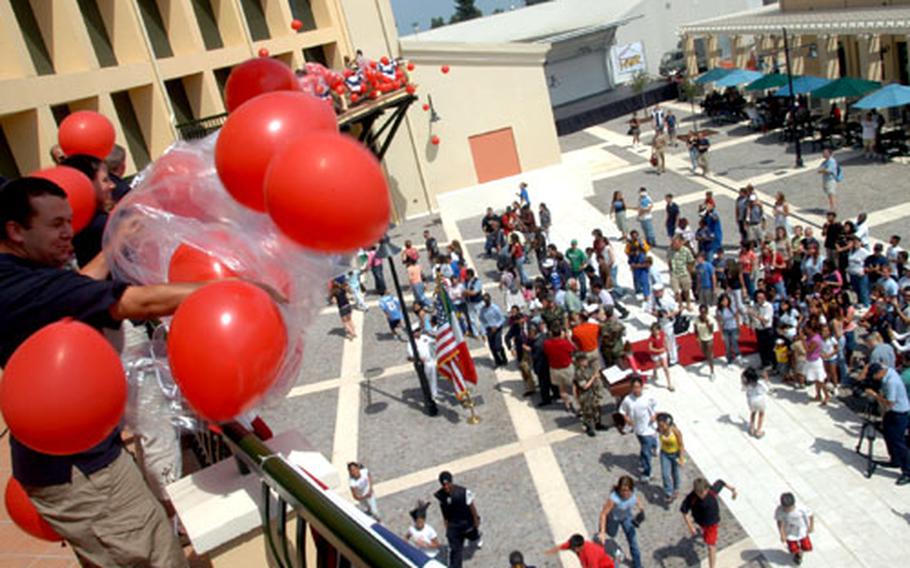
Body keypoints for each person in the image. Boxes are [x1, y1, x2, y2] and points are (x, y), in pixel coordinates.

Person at [0, 177, 194, 566]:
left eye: (70, 221)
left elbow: (74, 288)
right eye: (55, 224)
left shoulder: (20, 274)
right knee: (157, 556)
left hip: (74, 463)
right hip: (82, 473)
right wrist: (239, 290)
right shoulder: (19, 285)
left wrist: (112, 245)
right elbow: (139, 301)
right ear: (16, 231)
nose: (68, 233)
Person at [61, 154, 115, 267]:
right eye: (105, 180)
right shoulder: (103, 225)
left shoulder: (72, 225)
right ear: (86, 184)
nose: (112, 185)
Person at [864, 363, 910, 485]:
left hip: (899, 414)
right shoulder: (888, 370)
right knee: (888, 435)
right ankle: (895, 460)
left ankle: (907, 471)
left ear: (878, 373)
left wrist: (875, 395)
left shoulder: (891, 382)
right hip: (892, 413)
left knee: (898, 442)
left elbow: (890, 402)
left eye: (874, 377)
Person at [680, 478, 738, 568]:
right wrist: (690, 526)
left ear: (707, 489)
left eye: (702, 492)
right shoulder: (692, 497)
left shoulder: (711, 491)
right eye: (698, 493)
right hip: (700, 520)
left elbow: (720, 482)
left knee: (711, 546)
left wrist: (733, 490)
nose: (701, 495)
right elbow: (684, 511)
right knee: (705, 535)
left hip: (712, 524)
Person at [434, 471, 482, 568]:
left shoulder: (463, 492)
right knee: (455, 550)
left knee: (472, 535)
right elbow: (444, 510)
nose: (446, 487)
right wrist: (446, 524)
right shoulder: (442, 496)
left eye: (448, 484)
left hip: (466, 522)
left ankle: (477, 538)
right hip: (454, 525)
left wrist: (475, 520)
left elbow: (471, 506)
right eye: (444, 485)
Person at [597, 476, 643, 568]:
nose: (625, 493)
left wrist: (641, 511)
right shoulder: (613, 498)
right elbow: (603, 514)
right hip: (614, 519)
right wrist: (602, 532)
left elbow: (637, 500)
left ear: (631, 489)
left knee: (633, 542)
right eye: (623, 490)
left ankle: (638, 565)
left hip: (627, 518)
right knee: (611, 535)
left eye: (627, 491)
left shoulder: (633, 493)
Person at [620, 377, 658, 482]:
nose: (636, 390)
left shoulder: (648, 397)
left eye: (638, 387)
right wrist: (627, 420)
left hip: (649, 427)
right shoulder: (628, 400)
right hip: (638, 429)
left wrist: (655, 415)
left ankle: (646, 468)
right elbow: (622, 411)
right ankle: (647, 471)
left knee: (647, 448)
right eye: (634, 387)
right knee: (646, 448)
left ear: (642, 387)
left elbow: (655, 407)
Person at [544, 326, 577, 413]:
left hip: (555, 369)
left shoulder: (547, 344)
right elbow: (573, 349)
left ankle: (566, 404)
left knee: (561, 389)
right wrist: (568, 338)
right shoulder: (565, 343)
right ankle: (574, 403)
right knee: (572, 386)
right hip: (567, 368)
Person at [573, 351, 606, 436]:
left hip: (593, 393)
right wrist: (593, 377)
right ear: (579, 362)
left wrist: (597, 376)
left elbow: (594, 376)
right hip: (585, 395)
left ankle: (598, 424)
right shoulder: (578, 373)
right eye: (584, 360)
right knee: (588, 412)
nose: (586, 361)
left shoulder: (588, 368)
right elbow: (584, 386)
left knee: (597, 409)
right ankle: (589, 428)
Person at [775, 493, 813, 565]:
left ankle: (800, 553)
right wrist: (782, 533)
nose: (788, 510)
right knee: (793, 548)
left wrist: (811, 526)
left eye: (789, 508)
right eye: (786, 508)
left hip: (802, 530)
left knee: (806, 546)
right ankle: (798, 554)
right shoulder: (780, 511)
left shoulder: (801, 508)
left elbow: (811, 515)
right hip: (789, 533)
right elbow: (779, 522)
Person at [656, 413, 686, 501]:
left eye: (662, 425)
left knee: (675, 472)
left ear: (668, 424)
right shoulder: (659, 430)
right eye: (659, 425)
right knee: (665, 474)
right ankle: (668, 492)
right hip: (664, 454)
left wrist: (681, 458)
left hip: (675, 454)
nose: (660, 427)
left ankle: (676, 488)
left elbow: (681, 445)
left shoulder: (675, 431)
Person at [649, 284, 680, 366]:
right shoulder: (654, 298)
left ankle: (674, 359)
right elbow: (649, 309)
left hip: (668, 323)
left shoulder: (668, 299)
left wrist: (669, 315)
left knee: (670, 341)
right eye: (654, 292)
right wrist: (656, 313)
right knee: (663, 340)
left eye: (657, 292)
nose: (655, 294)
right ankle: (667, 353)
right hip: (660, 322)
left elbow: (676, 310)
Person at [545, 533, 615, 568]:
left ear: (581, 546)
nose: (574, 550)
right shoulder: (574, 543)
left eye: (575, 548)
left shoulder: (591, 553)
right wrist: (548, 552)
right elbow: (562, 546)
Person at [408, 323, 439, 400]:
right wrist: (418, 359)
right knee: (425, 380)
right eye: (416, 331)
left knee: (433, 379)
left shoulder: (424, 337)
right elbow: (411, 356)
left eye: (418, 330)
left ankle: (434, 395)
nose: (418, 332)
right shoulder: (411, 343)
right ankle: (428, 396)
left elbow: (434, 341)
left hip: (430, 361)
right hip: (422, 364)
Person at [479, 293, 508, 367]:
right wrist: (483, 333)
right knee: (492, 347)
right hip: (489, 329)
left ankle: (504, 359)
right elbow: (482, 321)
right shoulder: (482, 310)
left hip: (497, 328)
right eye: (484, 300)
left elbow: (502, 319)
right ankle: (498, 361)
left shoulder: (495, 308)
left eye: (487, 300)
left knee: (498, 346)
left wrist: (496, 326)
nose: (486, 302)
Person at [668, 236, 695, 312]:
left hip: (684, 273)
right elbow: (669, 260)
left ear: (680, 243)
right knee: (676, 291)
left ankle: (688, 304)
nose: (674, 245)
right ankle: (680, 305)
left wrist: (689, 270)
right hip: (674, 273)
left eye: (675, 243)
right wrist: (670, 269)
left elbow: (691, 261)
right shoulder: (670, 250)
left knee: (686, 290)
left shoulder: (686, 250)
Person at [742, 367, 769, 438]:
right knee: (761, 414)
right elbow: (767, 389)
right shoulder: (761, 382)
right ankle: (758, 431)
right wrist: (766, 377)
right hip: (760, 400)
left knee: (753, 413)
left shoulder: (746, 384)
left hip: (751, 400)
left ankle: (752, 429)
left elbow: (743, 389)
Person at [647, 323, 674, 390]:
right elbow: (650, 348)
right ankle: (654, 372)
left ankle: (669, 384)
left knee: (665, 367)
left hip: (662, 353)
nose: (654, 332)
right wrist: (658, 350)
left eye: (656, 330)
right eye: (653, 331)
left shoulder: (662, 334)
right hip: (655, 354)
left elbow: (664, 340)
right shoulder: (651, 338)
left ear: (659, 330)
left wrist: (667, 347)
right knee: (657, 365)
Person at [694, 304, 716, 379]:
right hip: (701, 339)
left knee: (709, 355)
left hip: (709, 339)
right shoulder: (696, 319)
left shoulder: (710, 319)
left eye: (704, 312)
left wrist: (707, 323)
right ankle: (710, 358)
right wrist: (697, 338)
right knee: (704, 352)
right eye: (701, 312)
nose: (703, 314)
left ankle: (712, 372)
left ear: (707, 312)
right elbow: (695, 329)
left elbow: (711, 331)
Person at [817, 148, 839, 212]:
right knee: (829, 194)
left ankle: (833, 208)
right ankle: (832, 206)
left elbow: (829, 170)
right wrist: (822, 170)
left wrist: (823, 170)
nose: (823, 154)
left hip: (831, 179)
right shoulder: (825, 162)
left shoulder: (831, 161)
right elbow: (819, 169)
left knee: (831, 193)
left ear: (829, 154)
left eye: (825, 153)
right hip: (826, 179)